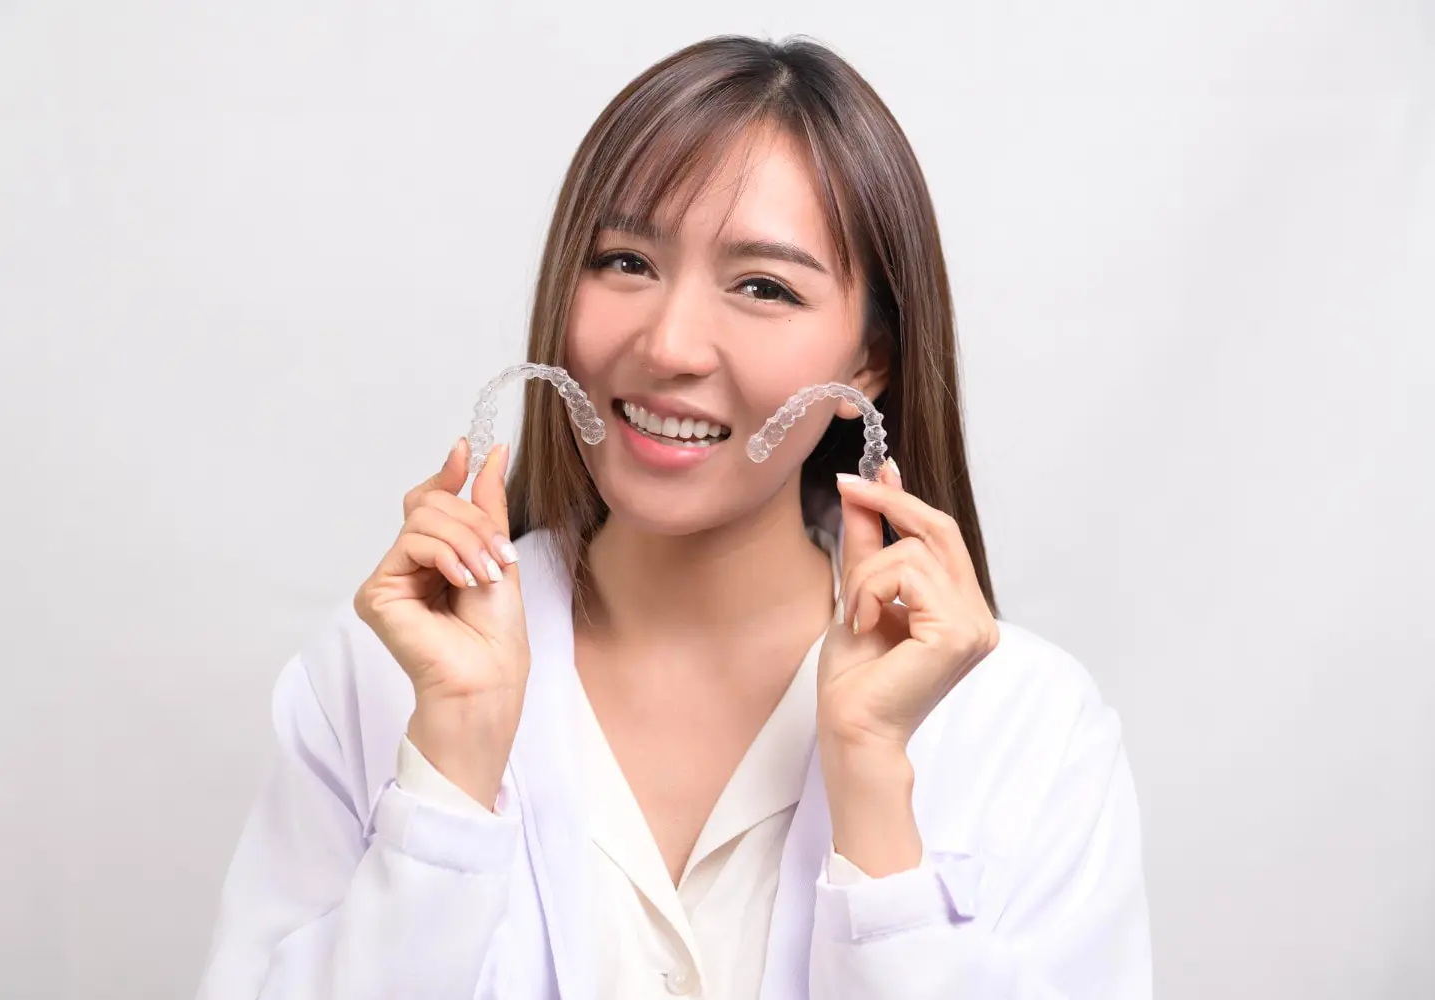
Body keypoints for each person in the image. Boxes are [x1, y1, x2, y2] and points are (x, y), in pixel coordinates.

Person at [195, 34, 1152, 1000]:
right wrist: (449, 773)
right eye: (624, 261)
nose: (669, 345)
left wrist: (871, 798)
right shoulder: (379, 672)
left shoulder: (1031, 730)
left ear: (868, 364)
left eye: (765, 287)